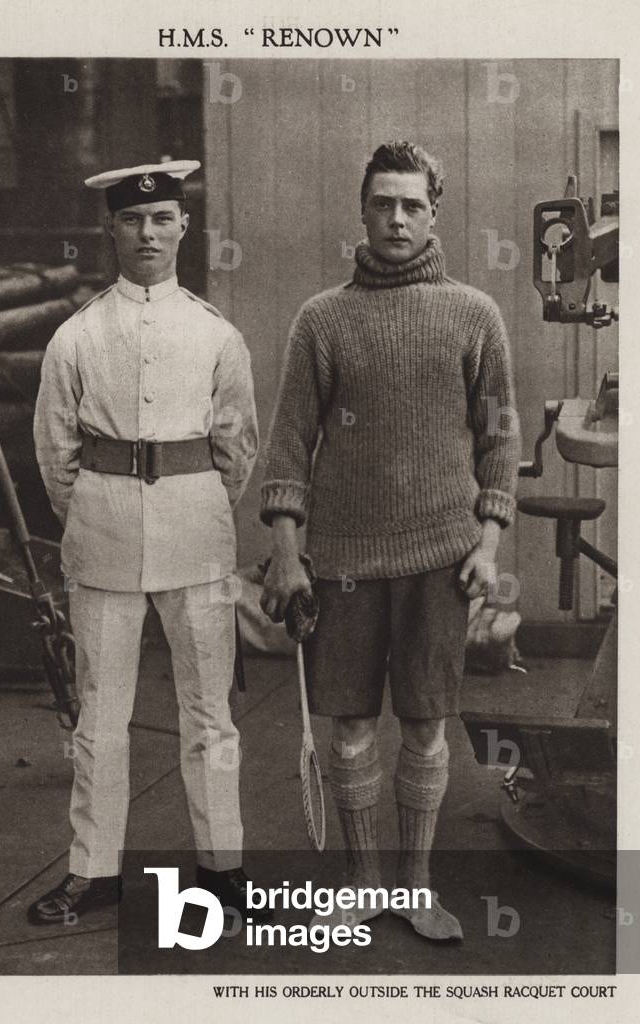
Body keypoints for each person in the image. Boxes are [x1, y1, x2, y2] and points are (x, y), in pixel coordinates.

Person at [260, 141, 520, 941]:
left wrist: (488, 542)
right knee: (348, 728)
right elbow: (290, 442)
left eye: (411, 204)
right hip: (339, 563)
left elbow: (499, 439)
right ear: (363, 211)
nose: (397, 218)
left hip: (441, 561)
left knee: (427, 726)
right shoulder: (322, 318)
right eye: (383, 203)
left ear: (434, 211)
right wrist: (283, 545)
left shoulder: (474, 313)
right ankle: (364, 884)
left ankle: (416, 887)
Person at [30, 161, 267, 925]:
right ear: (111, 227)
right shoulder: (76, 336)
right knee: (100, 714)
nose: (147, 234)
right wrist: (101, 508)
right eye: (133, 221)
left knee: (209, 714)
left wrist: (191, 505)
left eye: (162, 218)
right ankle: (94, 875)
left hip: (197, 535)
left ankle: (223, 868)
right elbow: (55, 452)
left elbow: (237, 447)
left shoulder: (215, 334)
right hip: (101, 536)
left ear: (183, 227)